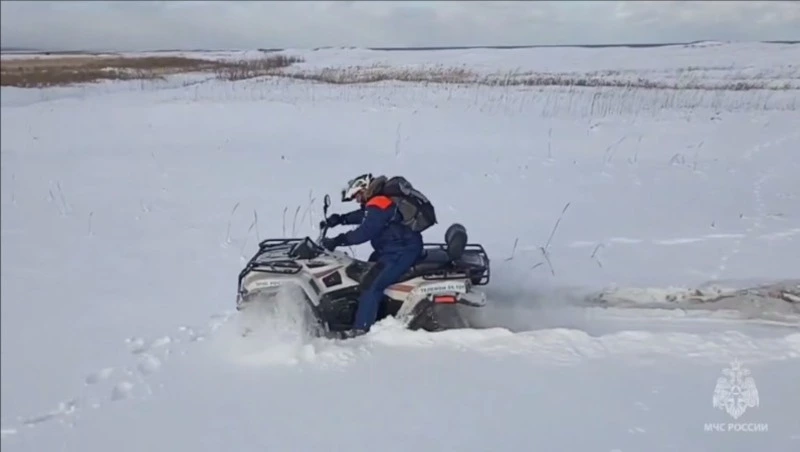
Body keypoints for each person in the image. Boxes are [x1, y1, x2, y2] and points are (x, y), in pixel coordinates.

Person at [319, 173, 427, 336]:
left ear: (364, 189)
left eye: (357, 196)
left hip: (400, 251)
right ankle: (377, 312)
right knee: (366, 270)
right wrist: (341, 219)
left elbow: (365, 232)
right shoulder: (380, 201)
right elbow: (365, 215)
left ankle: (361, 329)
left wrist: (338, 240)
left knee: (371, 285)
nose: (357, 200)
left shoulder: (379, 202)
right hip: (394, 248)